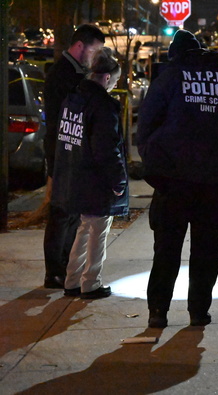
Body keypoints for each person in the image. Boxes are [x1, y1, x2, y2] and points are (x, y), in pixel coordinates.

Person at [137, 30, 218, 328]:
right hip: (215, 185)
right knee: (207, 251)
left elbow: (146, 127)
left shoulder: (169, 79)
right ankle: (199, 311)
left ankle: (158, 312)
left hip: (173, 182)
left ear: (176, 55)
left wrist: (157, 168)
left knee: (166, 250)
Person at [51, 47, 128, 299]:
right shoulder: (103, 106)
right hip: (95, 179)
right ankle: (91, 283)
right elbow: (106, 149)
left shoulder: (73, 99)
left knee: (84, 228)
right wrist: (118, 181)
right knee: (98, 229)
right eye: (115, 81)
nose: (114, 85)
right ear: (106, 77)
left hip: (75, 174)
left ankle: (72, 279)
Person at [43, 24, 106, 289]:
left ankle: (65, 268)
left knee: (71, 213)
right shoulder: (63, 74)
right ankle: (54, 271)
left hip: (69, 150)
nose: (95, 56)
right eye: (94, 49)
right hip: (62, 151)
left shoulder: (74, 72)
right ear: (80, 45)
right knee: (61, 211)